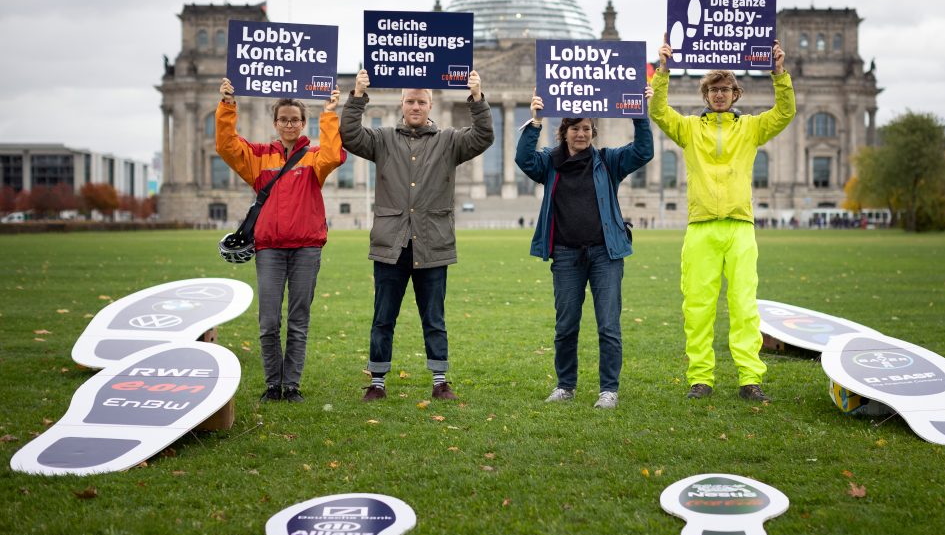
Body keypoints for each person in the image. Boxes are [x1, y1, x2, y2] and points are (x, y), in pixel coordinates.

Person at [650, 37, 795, 403]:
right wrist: (663, 70)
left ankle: (750, 379)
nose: (719, 95)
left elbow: (784, 113)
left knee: (744, 306)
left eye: (725, 89)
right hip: (700, 228)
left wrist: (780, 75)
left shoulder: (750, 128)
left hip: (740, 227)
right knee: (697, 306)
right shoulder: (688, 130)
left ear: (736, 94)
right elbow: (658, 111)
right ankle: (701, 378)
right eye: (713, 89)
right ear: (705, 95)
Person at [341, 68, 494, 402]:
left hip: (432, 242)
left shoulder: (450, 141)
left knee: (434, 318)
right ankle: (377, 382)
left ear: (429, 106)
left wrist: (477, 99)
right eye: (410, 100)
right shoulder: (381, 139)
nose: (415, 106)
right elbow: (350, 136)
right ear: (402, 104)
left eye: (421, 101)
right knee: (383, 317)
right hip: (390, 244)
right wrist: (356, 97)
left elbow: (483, 137)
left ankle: (440, 381)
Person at [515, 87, 654, 409]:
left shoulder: (608, 160)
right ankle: (565, 385)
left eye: (587, 129)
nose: (581, 134)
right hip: (565, 255)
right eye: (575, 128)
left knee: (608, 325)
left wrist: (638, 113)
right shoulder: (549, 163)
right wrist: (534, 122)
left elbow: (643, 151)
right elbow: (523, 159)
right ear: (564, 132)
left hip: (605, 254)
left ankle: (609, 389)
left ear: (593, 133)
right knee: (565, 326)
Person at [216, 78, 345, 403]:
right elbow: (227, 147)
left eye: (295, 119)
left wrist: (329, 114)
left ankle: (292, 387)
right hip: (270, 249)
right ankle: (273, 385)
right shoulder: (259, 158)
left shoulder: (313, 158)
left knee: (299, 321)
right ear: (276, 124)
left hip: (306, 248)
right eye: (284, 119)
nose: (289, 124)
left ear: (303, 124)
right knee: (269, 321)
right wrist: (228, 106)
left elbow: (334, 155)